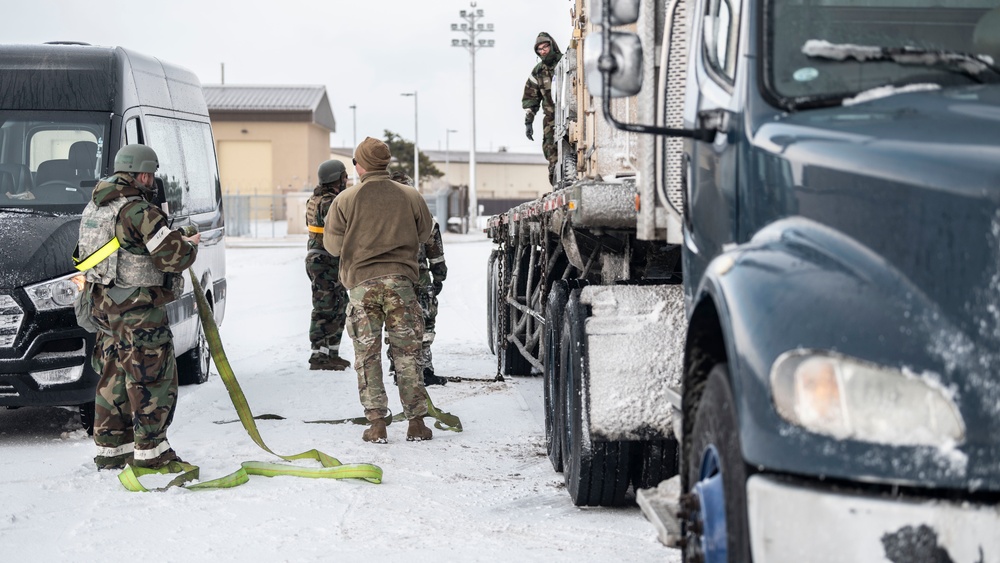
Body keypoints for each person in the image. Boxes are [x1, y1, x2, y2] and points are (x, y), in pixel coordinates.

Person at [76, 144, 200, 470]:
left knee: (114, 376)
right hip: (138, 310)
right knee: (152, 377)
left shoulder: (97, 206)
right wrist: (187, 243)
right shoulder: (139, 211)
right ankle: (152, 452)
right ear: (142, 174)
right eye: (152, 174)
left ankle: (111, 449)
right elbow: (174, 257)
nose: (153, 180)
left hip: (105, 307)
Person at [324, 137, 435, 443]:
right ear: (386, 163)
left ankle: (377, 425)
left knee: (367, 356)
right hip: (402, 285)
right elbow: (426, 232)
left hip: (362, 287)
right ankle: (416, 423)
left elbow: (332, 247)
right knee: (408, 354)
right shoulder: (410, 195)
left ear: (360, 166)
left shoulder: (345, 200)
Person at [387, 171, 448, 387]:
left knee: (396, 322)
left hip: (390, 278)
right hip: (418, 276)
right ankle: (423, 369)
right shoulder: (421, 214)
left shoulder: (381, 217)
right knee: (424, 321)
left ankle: (399, 367)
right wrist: (439, 276)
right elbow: (435, 248)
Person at [305, 159, 351, 371]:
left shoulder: (316, 199)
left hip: (325, 259)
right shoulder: (329, 203)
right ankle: (319, 356)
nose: (346, 180)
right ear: (336, 179)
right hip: (325, 261)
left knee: (339, 305)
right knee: (325, 307)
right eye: (344, 177)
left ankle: (332, 352)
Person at [522, 31, 563, 186]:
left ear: (551, 46)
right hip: (551, 119)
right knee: (550, 149)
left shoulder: (566, 62)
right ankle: (556, 181)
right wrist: (528, 121)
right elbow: (531, 97)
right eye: (539, 49)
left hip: (573, 116)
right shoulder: (538, 71)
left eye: (545, 47)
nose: (543, 51)